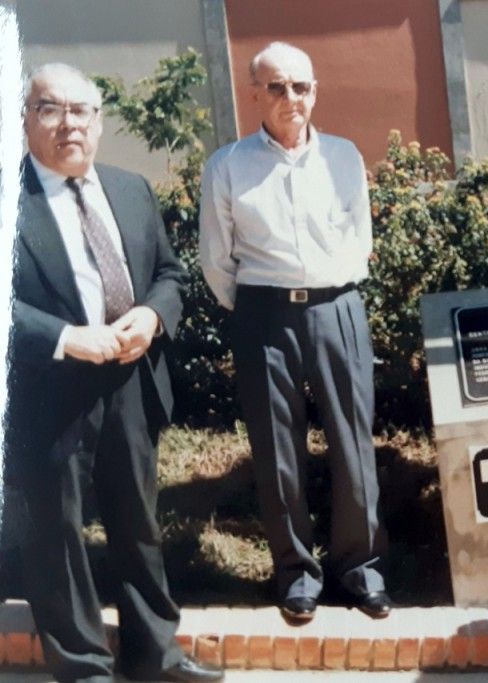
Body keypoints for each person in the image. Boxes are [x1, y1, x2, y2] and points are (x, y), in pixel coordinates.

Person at [8, 63, 223, 682]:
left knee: (138, 523)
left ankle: (156, 654)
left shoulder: (131, 188)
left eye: (82, 111)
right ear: (26, 119)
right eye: (51, 109)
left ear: (99, 122)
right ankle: (84, 667)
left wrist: (153, 319)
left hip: (131, 381)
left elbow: (171, 274)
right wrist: (69, 338)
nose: (69, 124)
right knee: (59, 534)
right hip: (48, 391)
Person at [199, 41, 389, 622]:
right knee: (278, 452)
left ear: (314, 92)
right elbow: (215, 260)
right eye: (277, 86)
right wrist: (261, 307)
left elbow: (361, 238)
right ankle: (297, 574)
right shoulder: (228, 166)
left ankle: (361, 570)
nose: (291, 99)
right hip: (264, 315)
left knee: (354, 443)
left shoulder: (343, 157)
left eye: (301, 86)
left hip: (338, 310)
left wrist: (332, 290)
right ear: (255, 92)